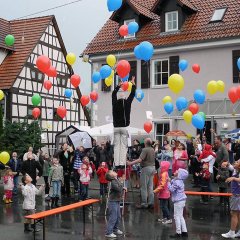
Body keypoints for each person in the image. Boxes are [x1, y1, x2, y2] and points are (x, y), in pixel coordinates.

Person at [112, 76, 136, 168]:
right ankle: (122, 163)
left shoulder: (114, 103)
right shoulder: (127, 103)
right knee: (123, 146)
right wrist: (133, 84)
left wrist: (118, 86)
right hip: (124, 127)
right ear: (125, 98)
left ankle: (117, 164)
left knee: (116, 146)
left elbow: (113, 94)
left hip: (116, 127)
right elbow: (132, 94)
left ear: (118, 98)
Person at [128, 138, 155, 209]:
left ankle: (144, 203)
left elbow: (140, 159)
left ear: (146, 143)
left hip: (146, 168)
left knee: (144, 187)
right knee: (150, 186)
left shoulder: (145, 150)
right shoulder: (152, 149)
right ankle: (151, 203)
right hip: (152, 168)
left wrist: (130, 163)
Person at [168, 168, 189, 238]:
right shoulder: (180, 181)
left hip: (178, 201)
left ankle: (178, 232)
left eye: (178, 171)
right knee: (181, 216)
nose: (176, 170)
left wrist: (168, 183)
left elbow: (171, 189)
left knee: (176, 216)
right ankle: (184, 232)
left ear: (180, 175)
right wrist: (171, 180)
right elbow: (174, 181)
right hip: (182, 200)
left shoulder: (177, 182)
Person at [222, 160, 240, 238]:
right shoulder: (236, 170)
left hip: (237, 196)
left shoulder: (237, 172)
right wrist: (227, 163)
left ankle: (232, 232)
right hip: (237, 196)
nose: (235, 162)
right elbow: (231, 167)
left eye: (237, 162)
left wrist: (233, 178)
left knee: (234, 214)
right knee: (238, 214)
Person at [105, 170, 125, 238]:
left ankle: (115, 229)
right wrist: (122, 184)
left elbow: (120, 188)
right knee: (113, 217)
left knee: (118, 216)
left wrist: (122, 187)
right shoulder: (113, 182)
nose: (114, 171)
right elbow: (118, 189)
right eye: (112, 172)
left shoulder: (116, 179)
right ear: (111, 176)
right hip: (112, 201)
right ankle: (109, 232)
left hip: (116, 201)